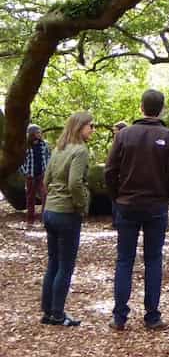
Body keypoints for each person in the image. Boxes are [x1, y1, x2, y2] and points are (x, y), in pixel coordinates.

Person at [105, 89, 169, 332]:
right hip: (155, 206)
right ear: (161, 109)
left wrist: (117, 196)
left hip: (128, 205)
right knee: (153, 260)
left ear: (141, 107)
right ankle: (152, 316)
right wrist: (167, 197)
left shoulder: (124, 136)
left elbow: (110, 171)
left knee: (124, 260)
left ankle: (119, 317)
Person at [40, 112, 95, 326]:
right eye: (90, 125)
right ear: (80, 126)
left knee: (53, 262)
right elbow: (74, 183)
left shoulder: (58, 149)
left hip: (50, 212)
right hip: (66, 213)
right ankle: (58, 314)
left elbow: (46, 180)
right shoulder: (80, 151)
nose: (92, 129)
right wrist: (83, 205)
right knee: (65, 265)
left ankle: (47, 311)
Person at [21, 123, 52, 227]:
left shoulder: (44, 144)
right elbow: (21, 161)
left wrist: (47, 170)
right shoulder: (25, 146)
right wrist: (26, 172)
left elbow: (48, 157)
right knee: (30, 198)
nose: (39, 134)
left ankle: (44, 219)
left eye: (40, 132)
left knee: (45, 195)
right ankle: (30, 221)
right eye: (37, 132)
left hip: (42, 174)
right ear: (31, 134)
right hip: (30, 175)